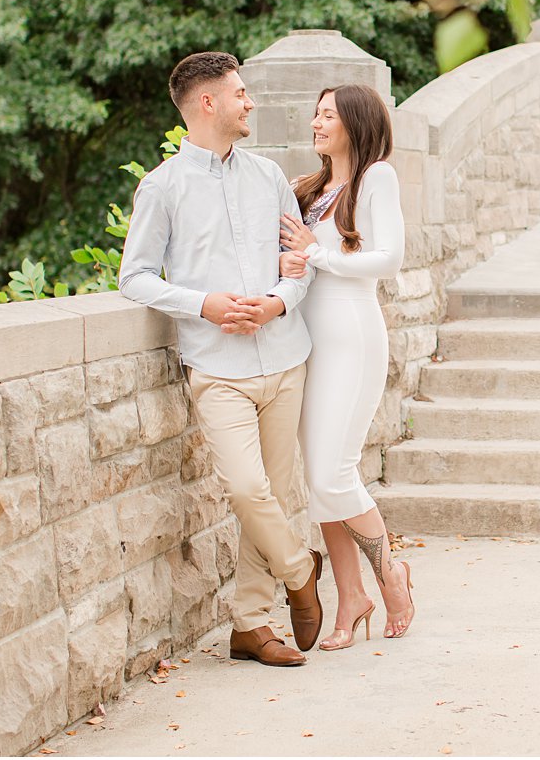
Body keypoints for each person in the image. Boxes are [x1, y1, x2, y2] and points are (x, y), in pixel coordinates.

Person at [118, 51, 324, 668]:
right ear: (207, 103)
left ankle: (251, 626)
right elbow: (134, 278)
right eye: (239, 93)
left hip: (285, 358)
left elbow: (300, 266)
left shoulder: (269, 179)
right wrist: (202, 303)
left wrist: (277, 304)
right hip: (217, 368)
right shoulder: (162, 187)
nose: (249, 102)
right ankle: (299, 571)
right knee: (245, 487)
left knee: (279, 494)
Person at [277, 83, 415, 648]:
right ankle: (350, 597)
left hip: (351, 337)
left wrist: (317, 253)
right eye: (314, 112)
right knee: (319, 480)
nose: (315, 122)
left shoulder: (375, 178)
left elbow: (390, 258)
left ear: (355, 123)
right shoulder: (308, 189)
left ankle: (392, 576)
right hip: (308, 338)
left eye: (327, 114)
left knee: (333, 473)